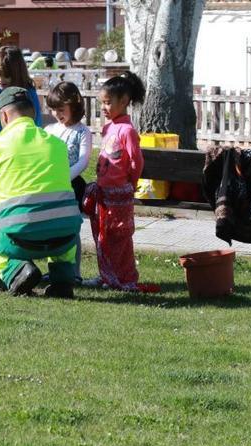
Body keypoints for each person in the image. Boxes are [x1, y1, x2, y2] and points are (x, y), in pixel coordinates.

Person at [0, 86, 82, 298]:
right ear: (33, 113)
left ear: (4, 116)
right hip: (66, 235)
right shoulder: (57, 145)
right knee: (60, 229)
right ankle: (63, 280)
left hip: (21, 236)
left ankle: (16, 271)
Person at [82, 71, 146, 291]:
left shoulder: (127, 131)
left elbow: (136, 162)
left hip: (120, 194)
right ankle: (108, 276)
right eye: (102, 103)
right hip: (104, 193)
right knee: (103, 236)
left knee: (120, 237)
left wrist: (131, 185)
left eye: (108, 102)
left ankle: (126, 279)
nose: (104, 107)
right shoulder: (109, 128)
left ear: (124, 101)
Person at [44, 81, 92, 282]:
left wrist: (65, 177)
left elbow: (83, 161)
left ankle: (74, 272)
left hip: (71, 186)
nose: (57, 114)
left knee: (71, 228)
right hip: (50, 186)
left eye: (61, 110)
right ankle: (54, 269)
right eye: (53, 110)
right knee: (51, 228)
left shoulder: (82, 132)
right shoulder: (49, 129)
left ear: (75, 107)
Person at [0, 46, 42, 152]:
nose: (1, 80)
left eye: (7, 75)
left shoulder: (27, 94)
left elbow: (37, 124)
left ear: (18, 73)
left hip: (20, 151)